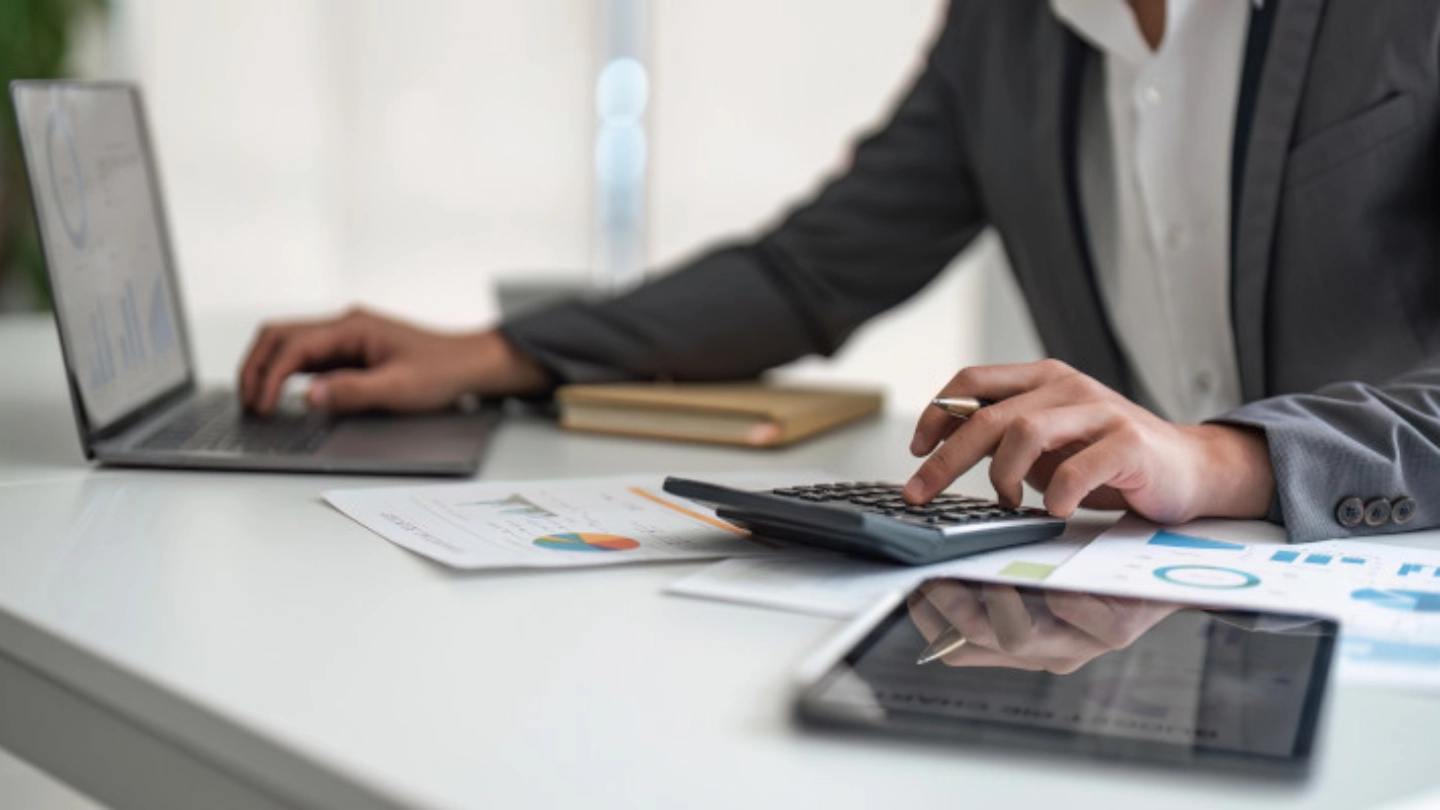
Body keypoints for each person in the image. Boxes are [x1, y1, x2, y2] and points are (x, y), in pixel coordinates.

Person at [239, 0, 1440, 543]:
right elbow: (811, 270)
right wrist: (498, 353)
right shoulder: (1004, 28)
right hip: (1136, 614)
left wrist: (1220, 456)